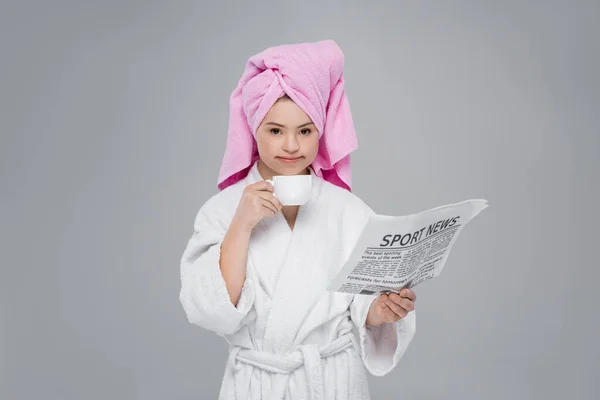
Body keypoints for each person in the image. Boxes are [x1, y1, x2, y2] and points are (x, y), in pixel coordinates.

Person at [179, 40, 417, 400]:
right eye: (275, 131)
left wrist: (379, 311)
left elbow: (362, 300)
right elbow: (214, 311)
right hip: (259, 385)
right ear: (253, 129)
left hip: (333, 383)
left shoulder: (348, 210)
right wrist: (242, 225)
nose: (291, 145)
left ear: (320, 131)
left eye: (305, 131)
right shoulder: (222, 210)